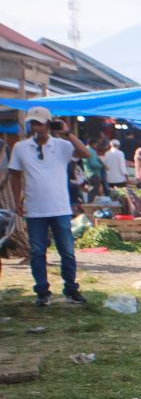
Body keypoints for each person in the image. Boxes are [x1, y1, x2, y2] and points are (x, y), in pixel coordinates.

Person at [8, 107, 90, 305]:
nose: (36, 127)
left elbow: (85, 154)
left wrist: (68, 132)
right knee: (37, 251)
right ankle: (42, 292)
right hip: (35, 208)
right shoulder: (21, 147)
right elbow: (15, 175)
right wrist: (17, 198)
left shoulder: (61, 145)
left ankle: (71, 289)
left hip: (60, 207)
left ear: (48, 124)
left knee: (67, 251)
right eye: (33, 123)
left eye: (39, 123)